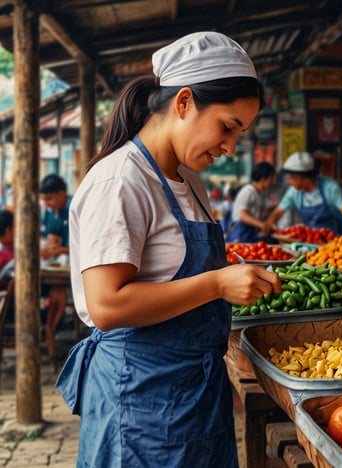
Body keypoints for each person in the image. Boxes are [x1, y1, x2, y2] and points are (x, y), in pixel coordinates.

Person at [55, 31, 280, 467]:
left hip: (194, 393)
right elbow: (106, 304)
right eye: (227, 126)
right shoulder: (120, 180)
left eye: (241, 132)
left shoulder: (188, 179)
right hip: (140, 399)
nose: (231, 147)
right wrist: (217, 283)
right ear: (183, 103)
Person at [263, 151, 342, 241]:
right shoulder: (294, 192)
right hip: (310, 244)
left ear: (299, 177)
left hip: (335, 244)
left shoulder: (330, 187)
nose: (290, 182)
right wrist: (269, 224)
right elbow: (277, 212)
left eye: (290, 179)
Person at [40, 173, 72, 369]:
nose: (47, 204)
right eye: (44, 200)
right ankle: (50, 331)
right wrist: (52, 244)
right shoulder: (51, 211)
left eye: (49, 199)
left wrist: (59, 248)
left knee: (56, 290)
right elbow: (49, 235)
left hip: (72, 266)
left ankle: (51, 331)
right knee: (52, 288)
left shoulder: (74, 207)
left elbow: (80, 245)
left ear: (62, 194)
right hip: (57, 266)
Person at [226, 161, 276, 242]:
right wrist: (262, 225)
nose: (273, 182)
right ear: (263, 179)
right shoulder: (248, 191)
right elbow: (243, 216)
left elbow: (256, 213)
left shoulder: (257, 193)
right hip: (242, 233)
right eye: (271, 179)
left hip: (250, 233)